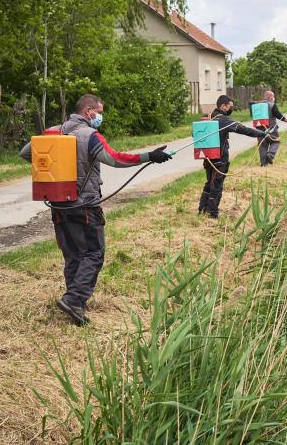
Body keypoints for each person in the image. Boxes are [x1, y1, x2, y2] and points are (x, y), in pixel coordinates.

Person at [19, 94, 172, 326]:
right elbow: (114, 158)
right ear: (88, 111)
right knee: (94, 253)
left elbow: (26, 153)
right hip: (85, 206)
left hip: (59, 204)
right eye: (99, 112)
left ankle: (75, 305)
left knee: (73, 255)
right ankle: (74, 299)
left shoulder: (54, 132)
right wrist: (149, 156)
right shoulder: (90, 135)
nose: (100, 116)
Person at [199, 95, 269, 218]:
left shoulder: (209, 118)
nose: (231, 109)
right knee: (217, 186)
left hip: (208, 158)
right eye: (230, 107)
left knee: (209, 183)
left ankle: (202, 209)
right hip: (220, 160)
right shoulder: (223, 120)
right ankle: (212, 213)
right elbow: (243, 129)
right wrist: (261, 133)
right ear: (223, 106)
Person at [256, 90, 287, 166]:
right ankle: (270, 155)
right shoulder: (271, 104)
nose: (274, 98)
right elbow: (278, 115)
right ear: (270, 97)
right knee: (276, 141)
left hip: (259, 129)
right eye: (273, 96)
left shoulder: (257, 105)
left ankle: (263, 164)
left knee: (262, 145)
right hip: (271, 129)